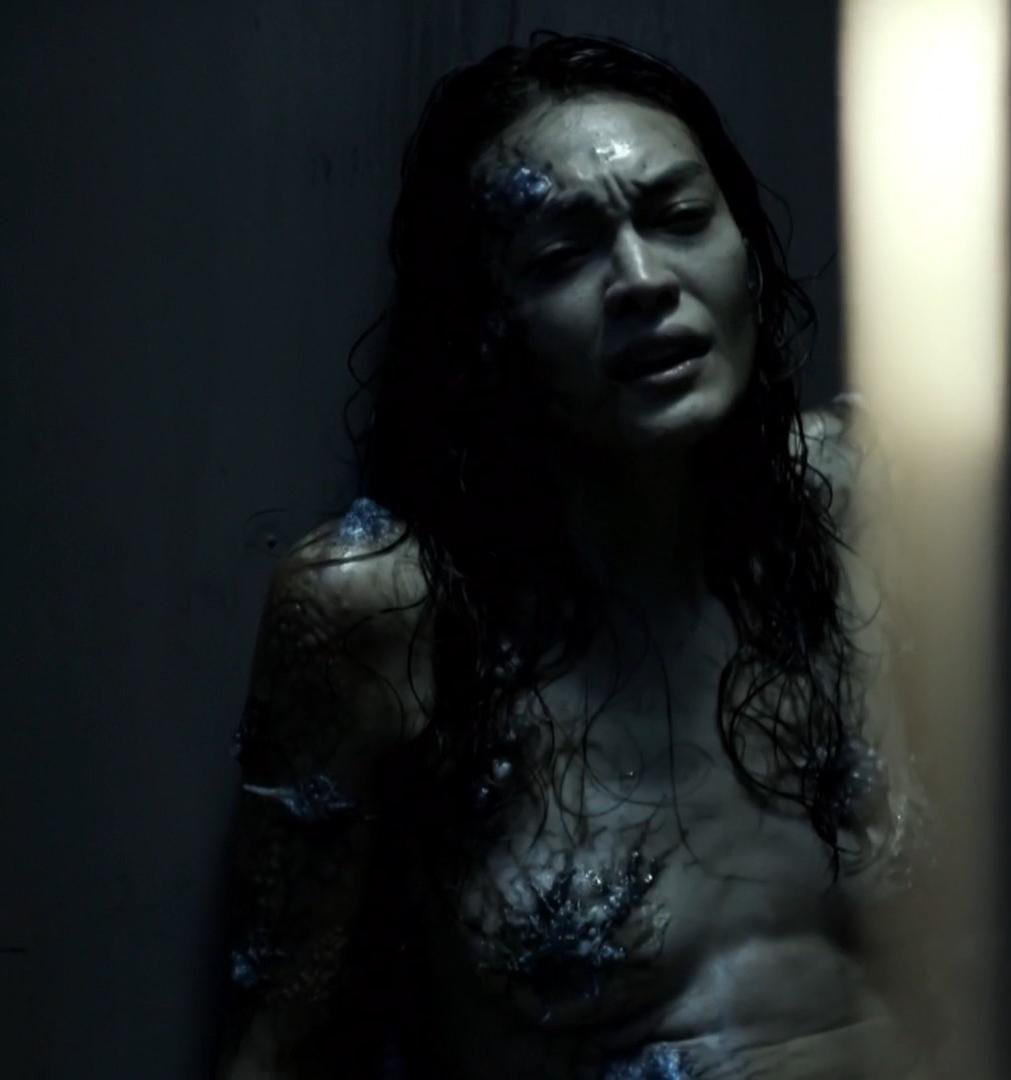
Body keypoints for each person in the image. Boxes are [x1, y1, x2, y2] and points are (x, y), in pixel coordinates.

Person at [213, 32, 936, 1079]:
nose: (643, 281)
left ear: (746, 246)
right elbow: (276, 1048)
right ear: (483, 327)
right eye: (561, 257)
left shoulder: (862, 496)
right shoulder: (382, 609)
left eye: (680, 218)